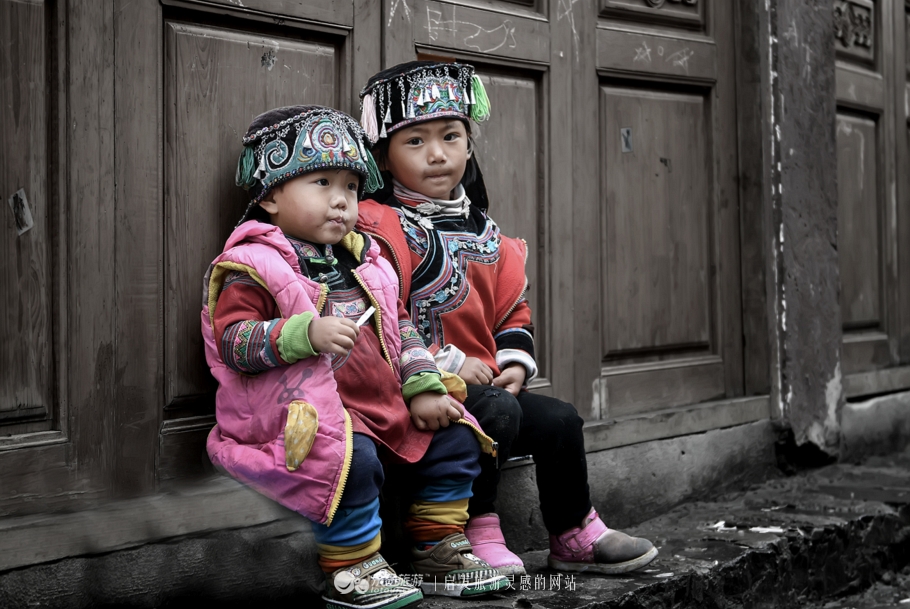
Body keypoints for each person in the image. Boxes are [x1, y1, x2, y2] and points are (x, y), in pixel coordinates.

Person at [355, 62, 658, 577]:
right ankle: (476, 524)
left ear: (469, 146)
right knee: (496, 411)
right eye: (415, 141)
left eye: (451, 136)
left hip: (485, 386)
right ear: (383, 155)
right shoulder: (375, 225)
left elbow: (511, 309)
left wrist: (514, 362)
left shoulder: (487, 233)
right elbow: (380, 315)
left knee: (559, 418)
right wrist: (446, 363)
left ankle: (574, 532)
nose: (437, 153)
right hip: (411, 390)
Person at [202, 105, 509, 609]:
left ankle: (436, 550)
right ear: (272, 195)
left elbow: (400, 328)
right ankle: (352, 565)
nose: (341, 200)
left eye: (349, 186)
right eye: (321, 183)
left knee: (456, 434)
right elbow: (233, 343)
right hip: (304, 417)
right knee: (352, 457)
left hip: (380, 405)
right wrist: (304, 332)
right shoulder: (252, 264)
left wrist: (425, 386)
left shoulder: (366, 260)